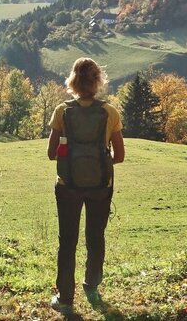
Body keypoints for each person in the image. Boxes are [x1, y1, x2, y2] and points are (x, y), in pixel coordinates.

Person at [47, 58, 125, 313]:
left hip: (68, 184)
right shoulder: (109, 112)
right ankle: (91, 284)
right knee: (95, 236)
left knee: (67, 240)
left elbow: (51, 153)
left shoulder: (62, 111)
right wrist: (100, 164)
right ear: (97, 80)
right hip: (101, 186)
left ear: (73, 80)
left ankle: (65, 298)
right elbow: (120, 156)